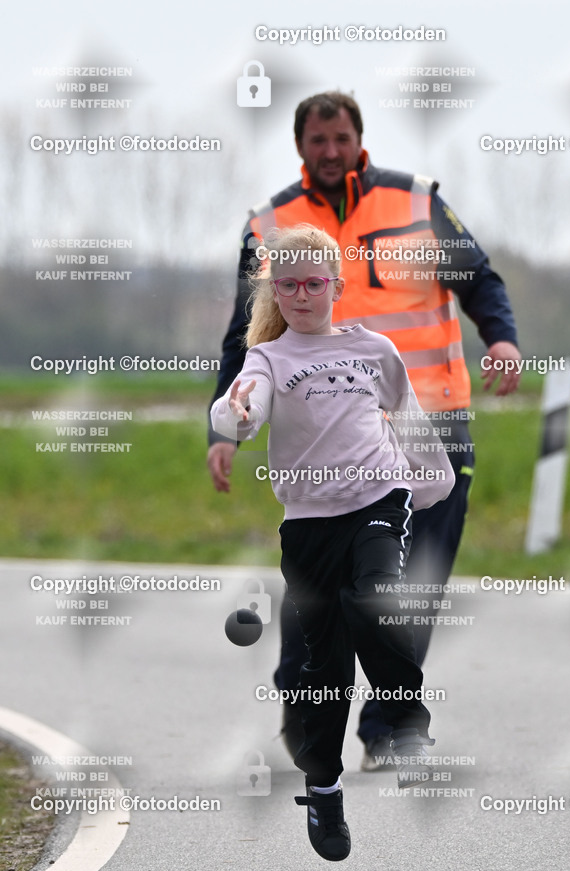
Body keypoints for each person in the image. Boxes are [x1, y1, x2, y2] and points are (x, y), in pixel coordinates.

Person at [207, 91, 521, 768]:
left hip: (429, 424)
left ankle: (390, 730)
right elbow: (245, 335)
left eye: (340, 138)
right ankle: (307, 699)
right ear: (300, 146)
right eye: (317, 141)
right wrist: (225, 429)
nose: (329, 151)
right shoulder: (271, 224)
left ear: (359, 137)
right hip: (328, 439)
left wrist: (501, 340)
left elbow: (481, 282)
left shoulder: (417, 202)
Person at [211, 225, 455, 861]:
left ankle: (405, 724)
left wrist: (431, 484)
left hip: (378, 498)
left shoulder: (374, 349)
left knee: (374, 597)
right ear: (276, 290)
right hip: (308, 525)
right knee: (323, 672)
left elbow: (406, 413)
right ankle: (323, 787)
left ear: (335, 287)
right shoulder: (267, 358)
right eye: (286, 284)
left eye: (313, 283)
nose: (300, 293)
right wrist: (233, 417)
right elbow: (247, 402)